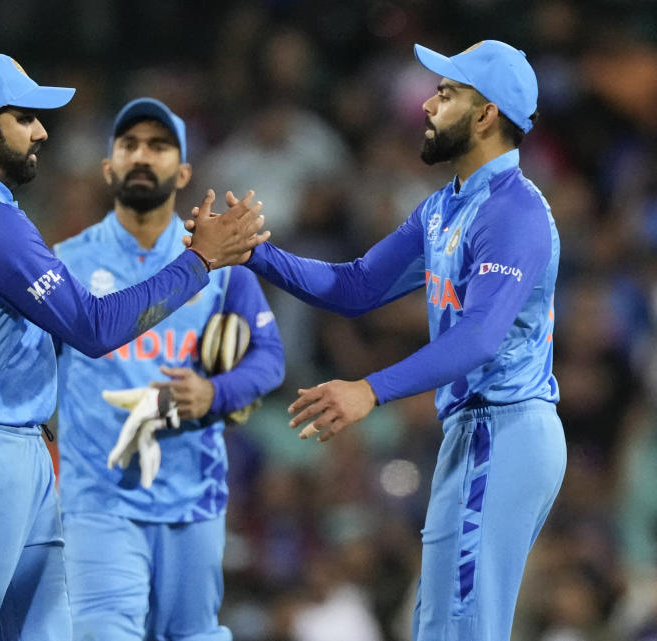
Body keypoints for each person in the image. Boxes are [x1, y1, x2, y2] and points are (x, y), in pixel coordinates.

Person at [0, 54, 268, 641]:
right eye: (23, 118)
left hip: (4, 444)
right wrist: (199, 262)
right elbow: (93, 327)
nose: (40, 131)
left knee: (45, 630)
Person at [192, 40, 566, 641]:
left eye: (446, 94)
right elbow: (357, 285)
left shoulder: (513, 210)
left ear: (486, 114)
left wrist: (371, 388)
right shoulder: (447, 206)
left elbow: (479, 338)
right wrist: (255, 254)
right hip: (474, 433)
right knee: (439, 628)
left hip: (508, 429)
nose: (427, 104)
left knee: (462, 630)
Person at [53, 98, 285, 641]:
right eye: (129, 144)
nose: (142, 155)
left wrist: (215, 390)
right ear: (108, 166)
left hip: (193, 495)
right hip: (99, 499)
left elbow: (270, 359)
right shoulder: (64, 263)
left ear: (183, 172)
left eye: (159, 146)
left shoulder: (223, 264)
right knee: (103, 632)